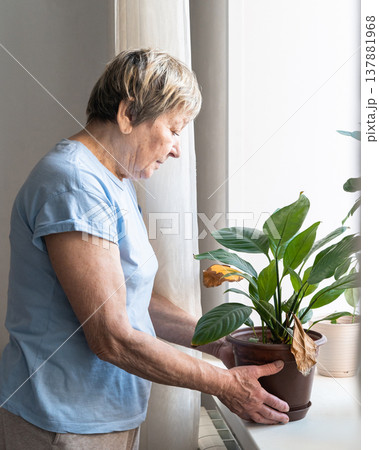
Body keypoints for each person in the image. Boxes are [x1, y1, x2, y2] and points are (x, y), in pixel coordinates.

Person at [0, 49, 289, 450]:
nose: (177, 150)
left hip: (103, 419)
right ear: (128, 114)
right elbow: (111, 336)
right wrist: (224, 384)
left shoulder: (113, 180)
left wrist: (218, 343)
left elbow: (132, 301)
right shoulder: (73, 184)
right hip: (62, 426)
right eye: (174, 129)